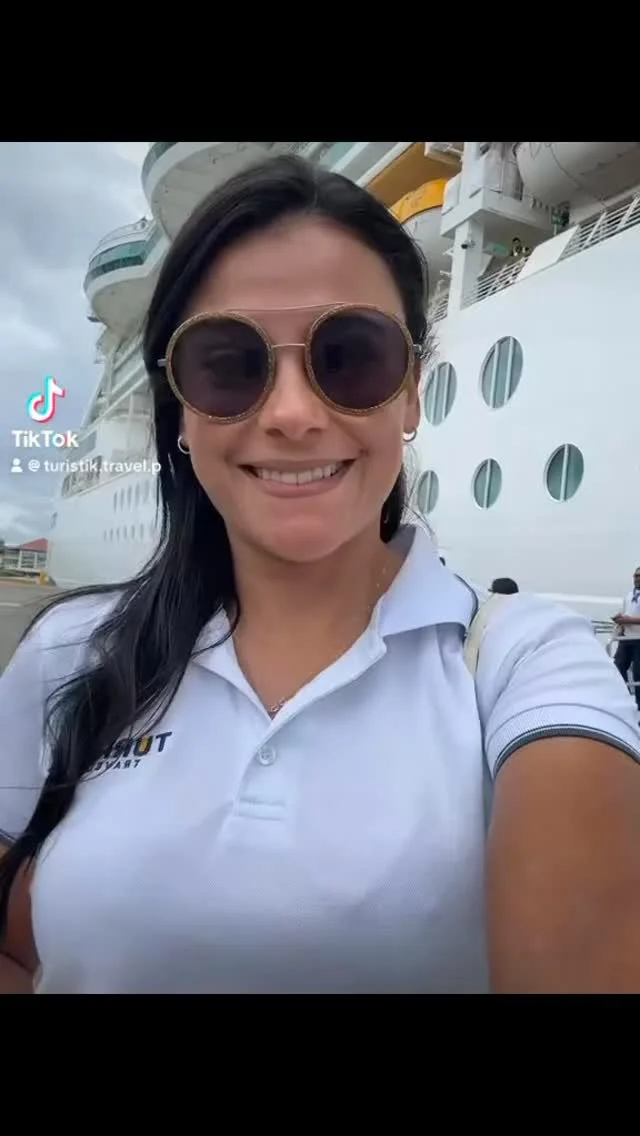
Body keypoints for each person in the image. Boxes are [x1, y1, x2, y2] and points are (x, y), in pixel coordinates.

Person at [1, 156, 640, 995]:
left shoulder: (526, 665)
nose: (294, 414)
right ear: (179, 409)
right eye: (229, 364)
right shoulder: (70, 652)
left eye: (351, 357)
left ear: (411, 393)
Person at [612, 567, 640, 713]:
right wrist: (620, 619)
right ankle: (625, 699)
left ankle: (639, 706)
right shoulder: (629, 596)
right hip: (627, 638)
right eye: (636, 576)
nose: (637, 579)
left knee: (638, 673)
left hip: (639, 639)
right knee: (618, 668)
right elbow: (626, 612)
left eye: (639, 576)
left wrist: (629, 620)